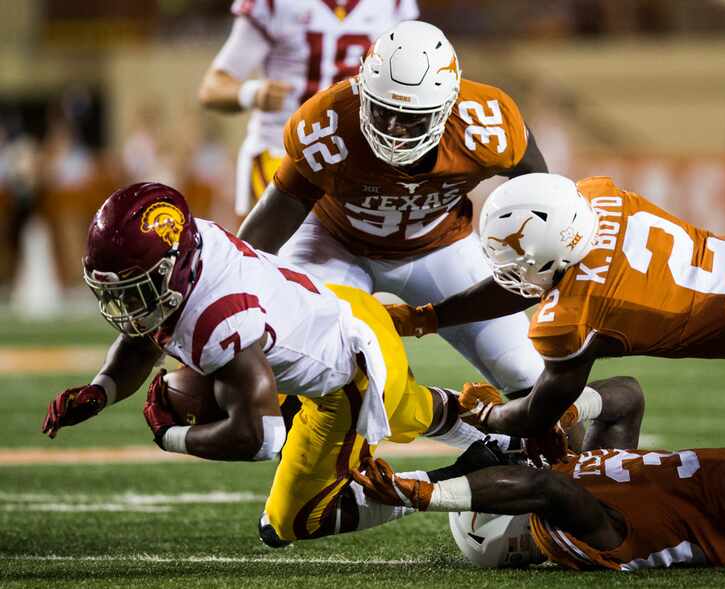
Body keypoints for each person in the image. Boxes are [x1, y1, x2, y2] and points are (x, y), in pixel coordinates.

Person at [39, 182, 627, 544]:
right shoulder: (196, 248)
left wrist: (172, 436)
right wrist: (102, 389)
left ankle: (457, 479)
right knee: (410, 407)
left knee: (293, 522)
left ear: (176, 265)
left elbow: (261, 435)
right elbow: (149, 330)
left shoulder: (221, 315)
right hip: (347, 314)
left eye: (139, 287)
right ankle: (500, 434)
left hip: (348, 367)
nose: (127, 305)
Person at [387, 172, 725, 444]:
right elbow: (537, 276)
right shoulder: (598, 199)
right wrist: (431, 317)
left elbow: (537, 415)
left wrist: (480, 413)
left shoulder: (574, 316)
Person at [238, 20, 549, 400]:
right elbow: (273, 219)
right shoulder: (330, 122)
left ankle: (564, 460)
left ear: (447, 106)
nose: (394, 128)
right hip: (334, 242)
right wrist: (228, 294)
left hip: (440, 243)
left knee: (526, 370)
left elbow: (541, 193)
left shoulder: (487, 125)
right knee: (319, 366)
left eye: (410, 117)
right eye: (383, 110)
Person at [353, 380, 725, 570]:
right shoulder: (579, 536)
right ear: (505, 524)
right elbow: (542, 488)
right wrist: (424, 495)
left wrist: (561, 416)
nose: (509, 462)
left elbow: (627, 397)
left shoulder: (574, 480)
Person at [198, 0, 418, 216]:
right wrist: (253, 93)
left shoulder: (393, 4)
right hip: (282, 152)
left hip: (362, 158)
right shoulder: (275, 4)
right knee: (297, 242)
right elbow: (212, 89)